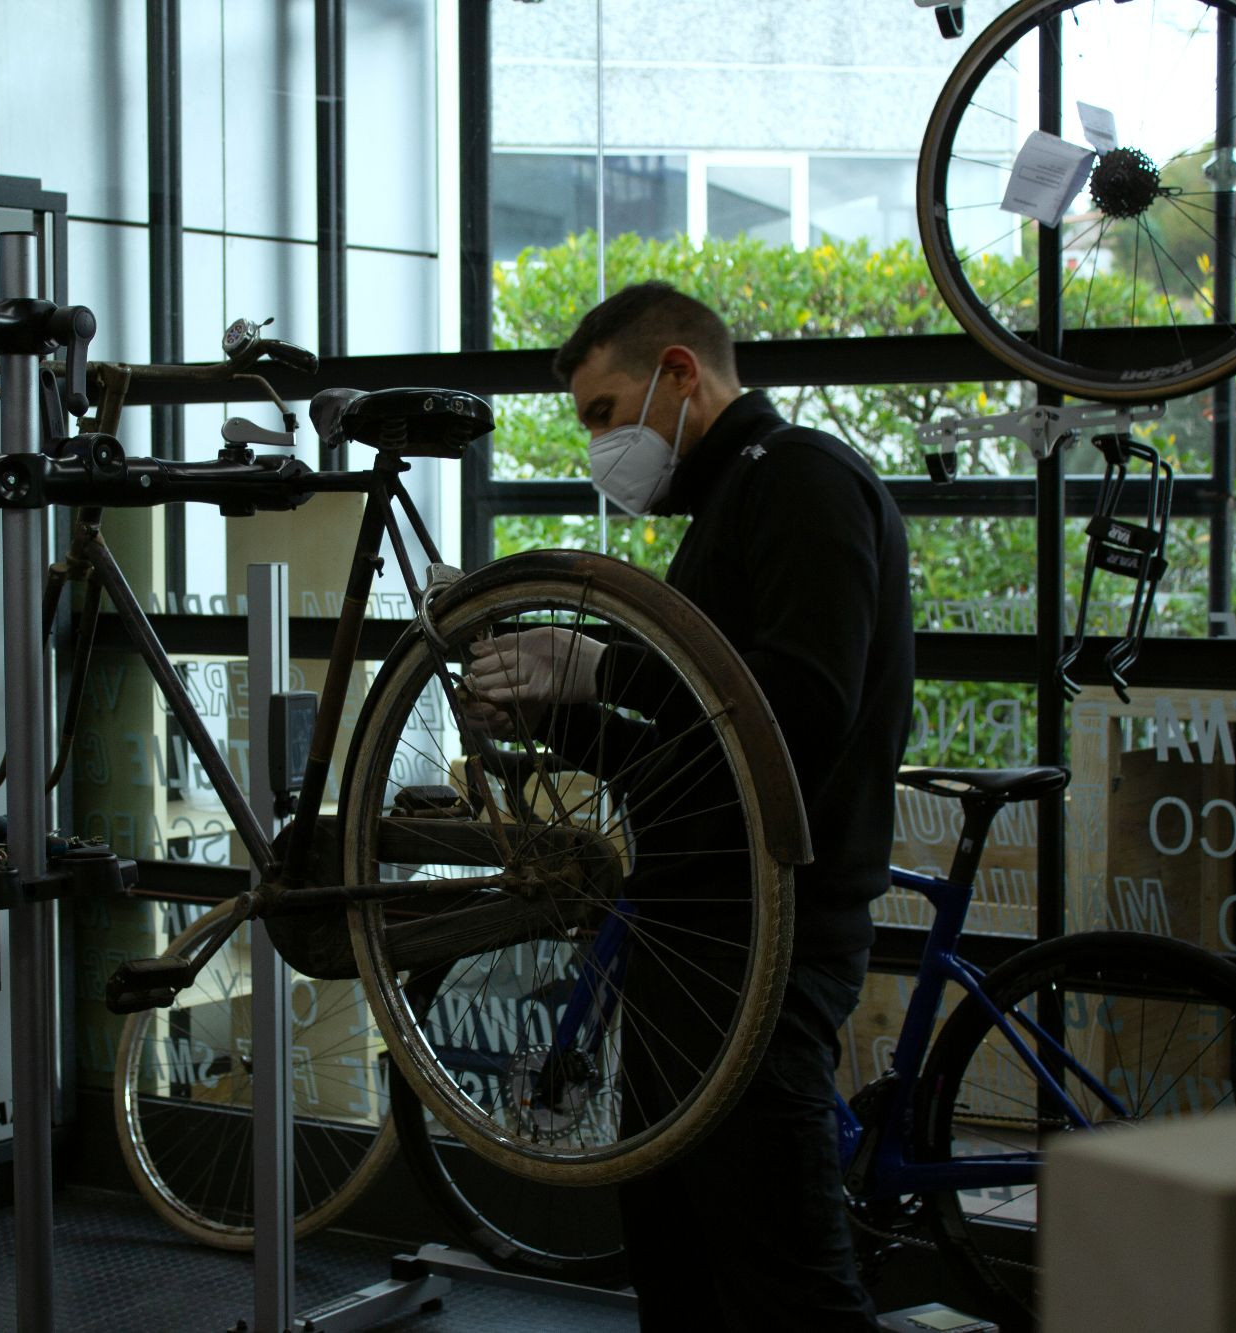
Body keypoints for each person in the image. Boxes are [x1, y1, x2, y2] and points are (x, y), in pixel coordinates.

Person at [465, 280, 914, 1330]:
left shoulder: (797, 479)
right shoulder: (729, 504)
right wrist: (552, 712)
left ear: (678, 372)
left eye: (603, 412)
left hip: (764, 945)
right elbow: (687, 760)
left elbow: (800, 705)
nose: (599, 447)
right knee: (681, 1270)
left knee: (787, 1287)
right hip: (696, 941)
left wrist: (602, 666)